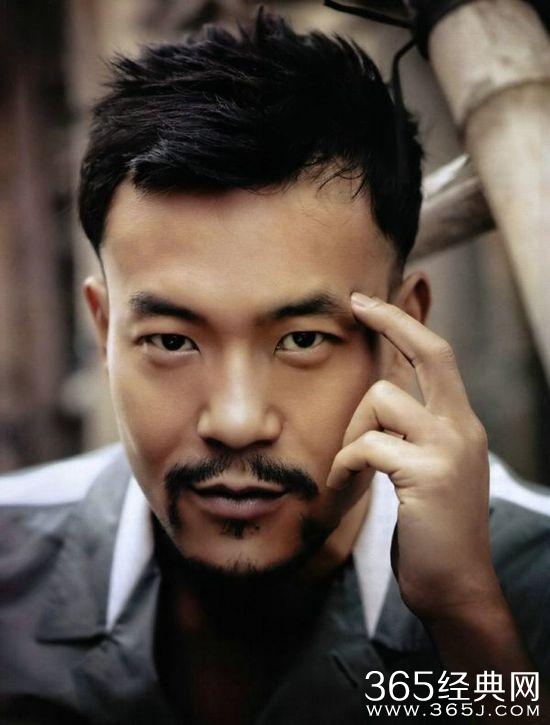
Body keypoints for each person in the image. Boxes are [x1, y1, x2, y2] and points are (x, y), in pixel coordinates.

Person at [1, 9, 549, 725]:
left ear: (403, 334)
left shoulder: (530, 588)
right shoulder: (10, 565)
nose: (236, 421)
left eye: (302, 339)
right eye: (172, 341)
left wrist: (468, 619)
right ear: (105, 330)